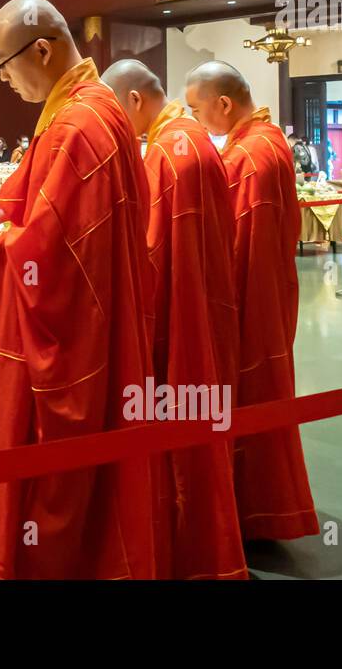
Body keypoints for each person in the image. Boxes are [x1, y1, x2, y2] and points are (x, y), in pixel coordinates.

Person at [0, 0, 157, 580]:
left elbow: (58, 255)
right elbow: (54, 206)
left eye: (7, 67)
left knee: (59, 487)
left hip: (78, 338)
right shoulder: (95, 106)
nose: (5, 82)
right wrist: (0, 202)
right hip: (111, 321)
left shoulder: (76, 123)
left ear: (42, 49)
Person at [101, 58, 247, 580]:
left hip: (178, 317)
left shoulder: (167, 152)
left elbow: (149, 250)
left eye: (115, 111)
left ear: (135, 101)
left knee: (180, 433)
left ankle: (185, 549)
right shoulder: (196, 139)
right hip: (208, 306)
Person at [184, 61, 320, 542]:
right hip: (272, 291)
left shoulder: (250, 156)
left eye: (197, 110)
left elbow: (235, 245)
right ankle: (255, 509)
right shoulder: (265, 138)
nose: (197, 122)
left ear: (223, 104)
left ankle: (253, 512)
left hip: (251, 298)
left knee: (252, 397)